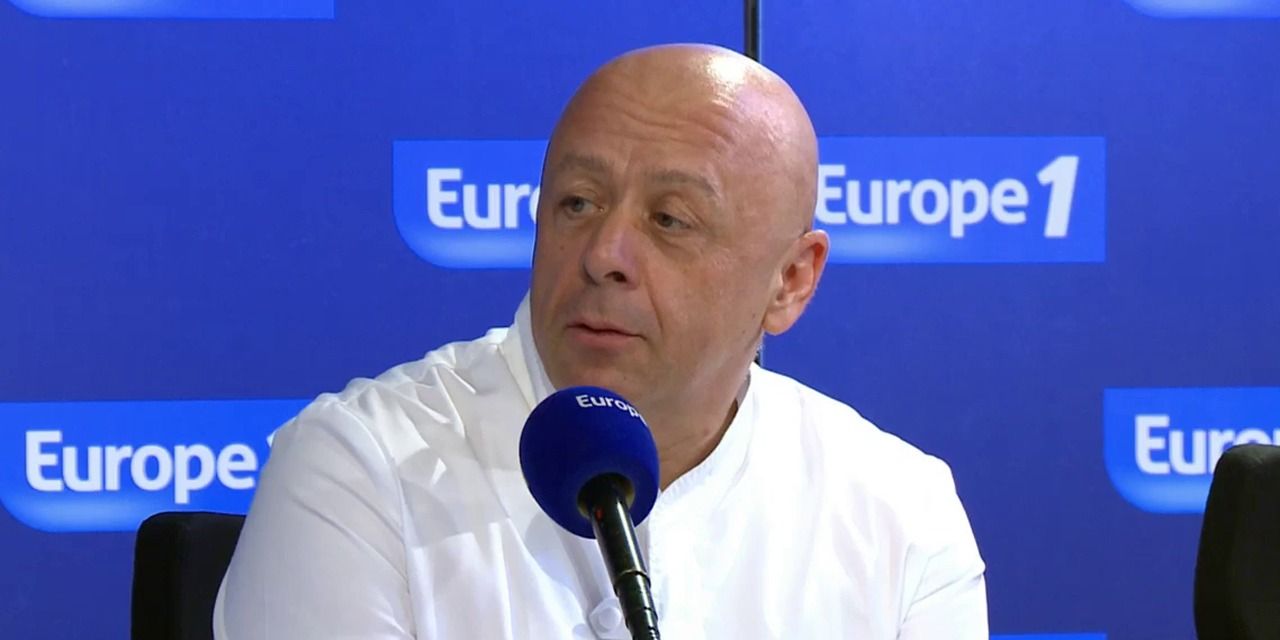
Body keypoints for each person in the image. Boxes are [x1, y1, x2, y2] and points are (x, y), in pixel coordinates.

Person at [214, 43, 987, 639]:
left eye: (670, 220)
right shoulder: (361, 470)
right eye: (578, 203)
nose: (604, 255)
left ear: (790, 280)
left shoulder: (899, 514)